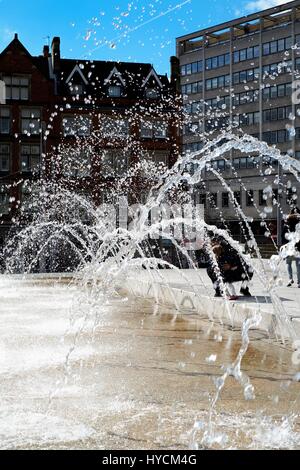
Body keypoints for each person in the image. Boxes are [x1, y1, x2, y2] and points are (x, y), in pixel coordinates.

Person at [283, 208, 300, 288]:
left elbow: (283, 235)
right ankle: (299, 282)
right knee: (298, 264)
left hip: (289, 246)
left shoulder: (287, 222)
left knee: (288, 263)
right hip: (298, 247)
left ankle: (290, 279)